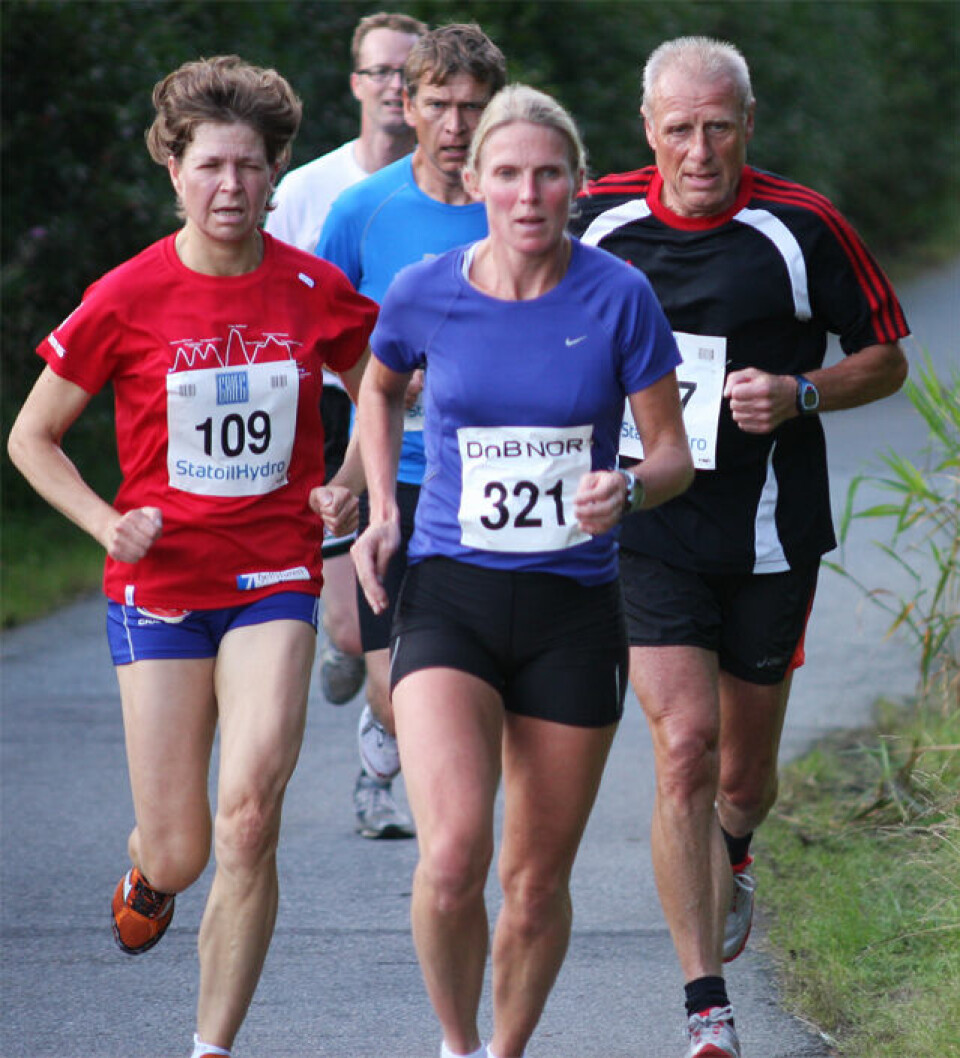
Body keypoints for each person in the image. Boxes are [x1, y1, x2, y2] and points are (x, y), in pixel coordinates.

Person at [6, 56, 377, 1058]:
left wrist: (348, 477)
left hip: (273, 575)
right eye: (210, 165)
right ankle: (151, 869)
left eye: (250, 166)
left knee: (249, 817)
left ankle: (211, 1045)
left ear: (275, 170)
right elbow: (31, 437)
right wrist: (104, 524)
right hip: (162, 587)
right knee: (181, 849)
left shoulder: (312, 287)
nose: (230, 187)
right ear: (174, 169)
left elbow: (381, 388)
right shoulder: (126, 295)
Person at [571, 36, 909, 1058]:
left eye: (719, 126)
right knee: (683, 747)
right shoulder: (595, 219)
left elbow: (886, 359)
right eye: (679, 128)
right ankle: (705, 1005)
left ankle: (737, 847)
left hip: (767, 532)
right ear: (648, 129)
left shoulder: (803, 226)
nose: (700, 149)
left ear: (748, 125)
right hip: (650, 525)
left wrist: (802, 391)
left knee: (743, 779)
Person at [352, 84, 694, 1058]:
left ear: (577, 183)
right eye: (508, 173)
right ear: (476, 181)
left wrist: (628, 489)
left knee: (535, 884)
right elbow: (378, 386)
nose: (529, 193)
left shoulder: (617, 295)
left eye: (548, 174)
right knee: (453, 857)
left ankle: (505, 1049)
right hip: (450, 593)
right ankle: (458, 1044)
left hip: (573, 610)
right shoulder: (425, 289)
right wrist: (382, 508)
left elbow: (672, 456)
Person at [316, 21, 506, 840]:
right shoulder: (365, 209)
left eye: (474, 106)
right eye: (439, 104)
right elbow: (317, 334)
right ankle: (384, 719)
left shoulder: (518, 203)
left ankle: (452, 840)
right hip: (395, 469)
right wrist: (380, 374)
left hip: (493, 473)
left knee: (468, 675)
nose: (456, 125)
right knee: (393, 685)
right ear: (408, 102)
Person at [266, 11, 426, 717]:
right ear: (356, 82)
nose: (394, 86)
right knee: (353, 626)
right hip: (334, 409)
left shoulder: (466, 189)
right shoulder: (311, 190)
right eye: (380, 71)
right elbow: (273, 304)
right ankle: (354, 652)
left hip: (432, 412)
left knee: (406, 611)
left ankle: (392, 726)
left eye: (408, 73)